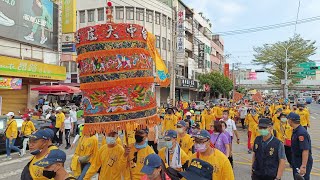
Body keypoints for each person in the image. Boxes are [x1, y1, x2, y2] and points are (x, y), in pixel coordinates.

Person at [287, 112, 313, 180]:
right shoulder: (296, 130)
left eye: (288, 119)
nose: (287, 121)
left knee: (302, 178)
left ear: (291, 120)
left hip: (301, 160)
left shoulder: (301, 133)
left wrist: (303, 166)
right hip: (296, 159)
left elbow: (305, 150)